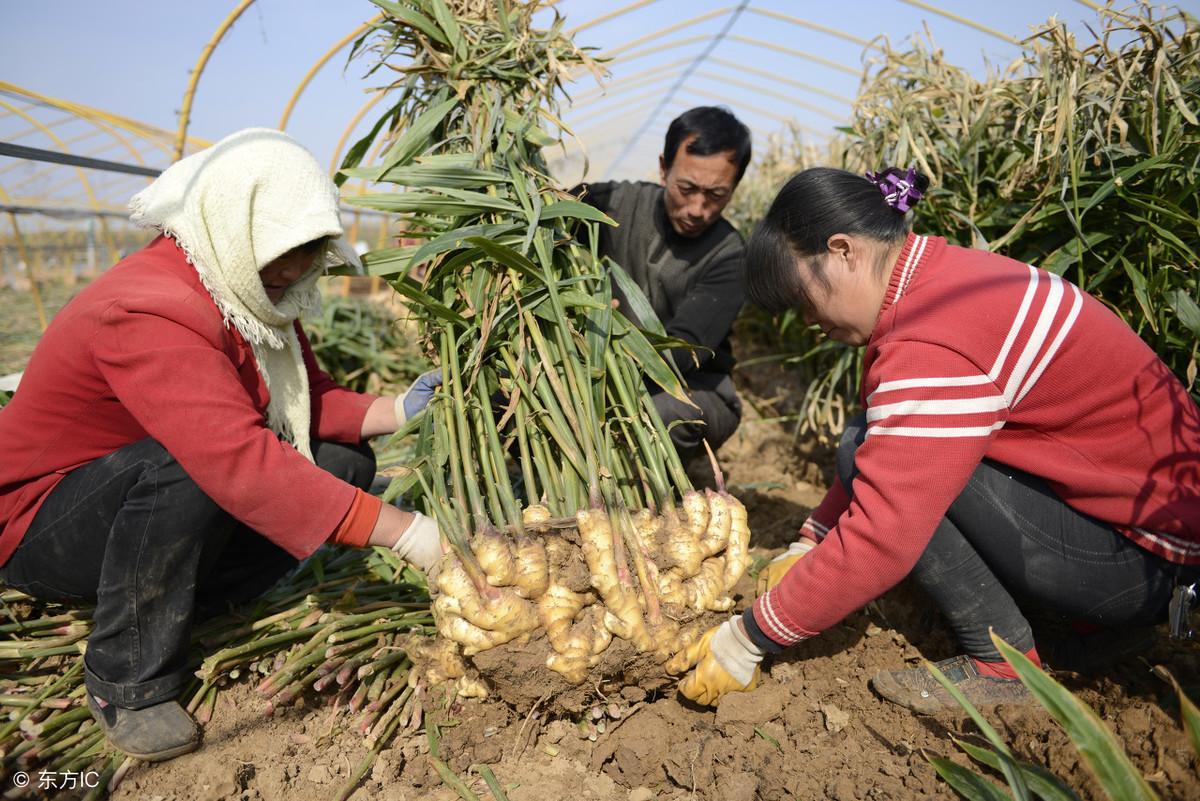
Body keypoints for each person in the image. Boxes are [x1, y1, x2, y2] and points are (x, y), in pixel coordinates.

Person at [669, 166, 1200, 711]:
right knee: (870, 442)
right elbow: (881, 437)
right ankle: (1089, 633)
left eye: (804, 300)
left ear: (843, 251)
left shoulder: (934, 339)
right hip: (1138, 539)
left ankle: (1004, 668)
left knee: (898, 488)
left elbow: (885, 536)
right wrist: (813, 539)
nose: (808, 321)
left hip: (1146, 562)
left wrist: (747, 639)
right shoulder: (939, 278)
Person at [0, 129, 444, 761]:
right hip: (41, 520)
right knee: (187, 464)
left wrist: (397, 409)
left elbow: (305, 403)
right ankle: (125, 681)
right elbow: (232, 458)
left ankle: (192, 599)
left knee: (342, 462)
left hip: (134, 505)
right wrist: (411, 534)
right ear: (231, 230)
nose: (292, 271)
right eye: (279, 252)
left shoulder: (244, 292)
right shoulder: (149, 308)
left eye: (306, 251)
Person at [575, 106, 751, 461]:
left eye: (716, 195)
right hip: (586, 368)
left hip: (684, 388)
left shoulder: (730, 256)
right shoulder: (612, 205)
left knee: (660, 417)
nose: (698, 208)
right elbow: (547, 211)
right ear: (663, 168)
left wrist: (603, 352)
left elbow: (682, 351)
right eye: (686, 188)